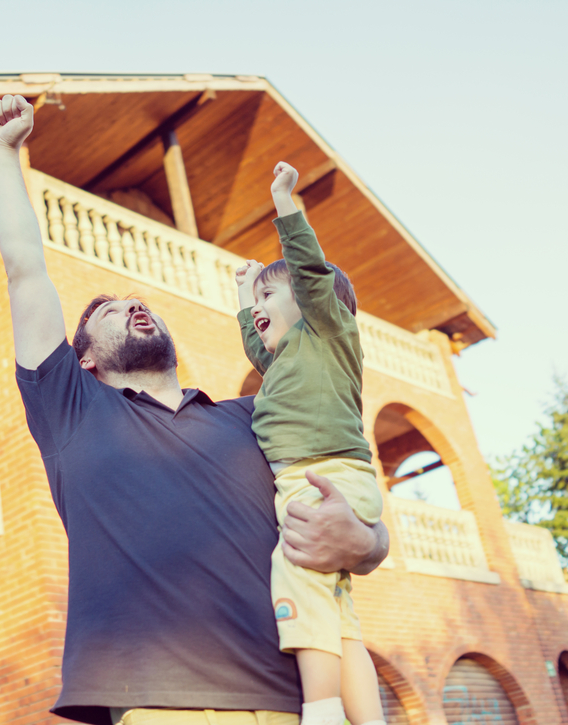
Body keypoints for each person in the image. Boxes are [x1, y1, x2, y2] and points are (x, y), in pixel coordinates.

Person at [0, 94, 389, 725]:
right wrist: (4, 154)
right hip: (163, 704)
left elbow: (341, 496)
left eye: (135, 299)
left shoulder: (250, 420)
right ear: (83, 359)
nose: (132, 302)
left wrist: (366, 541)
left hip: (296, 706)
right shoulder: (70, 408)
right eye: (107, 310)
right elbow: (25, 271)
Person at [233, 162, 386, 725]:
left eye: (271, 293)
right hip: (320, 479)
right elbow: (257, 344)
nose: (258, 308)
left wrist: (283, 202)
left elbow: (309, 272)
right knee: (339, 618)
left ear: (310, 297)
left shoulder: (328, 329)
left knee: (295, 580)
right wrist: (246, 291)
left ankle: (320, 713)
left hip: (325, 479)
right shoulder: (286, 362)